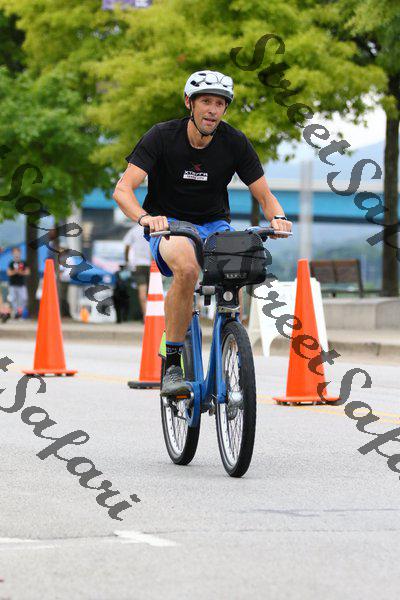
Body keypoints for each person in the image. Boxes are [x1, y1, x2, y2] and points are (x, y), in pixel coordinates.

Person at [113, 69, 292, 396]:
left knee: (236, 271)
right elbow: (123, 190)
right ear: (189, 103)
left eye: (220, 104)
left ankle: (230, 348)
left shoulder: (234, 142)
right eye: (206, 101)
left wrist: (278, 218)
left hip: (214, 224)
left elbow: (265, 196)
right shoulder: (161, 136)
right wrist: (145, 218)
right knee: (187, 269)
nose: (212, 110)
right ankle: (172, 362)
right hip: (169, 224)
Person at [123, 222, 151, 320]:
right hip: (152, 264)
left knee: (142, 291)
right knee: (152, 291)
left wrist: (127, 260)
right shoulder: (152, 229)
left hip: (138, 265)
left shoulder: (133, 230)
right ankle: (153, 314)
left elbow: (127, 245)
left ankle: (145, 316)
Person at [7, 247, 30, 319]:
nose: (16, 254)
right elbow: (9, 273)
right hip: (13, 284)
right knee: (13, 299)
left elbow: (27, 272)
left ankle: (20, 312)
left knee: (24, 298)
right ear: (12, 254)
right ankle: (16, 312)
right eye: (15, 253)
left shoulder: (24, 262)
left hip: (21, 284)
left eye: (17, 252)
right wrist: (16, 271)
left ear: (20, 253)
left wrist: (20, 272)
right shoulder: (11, 263)